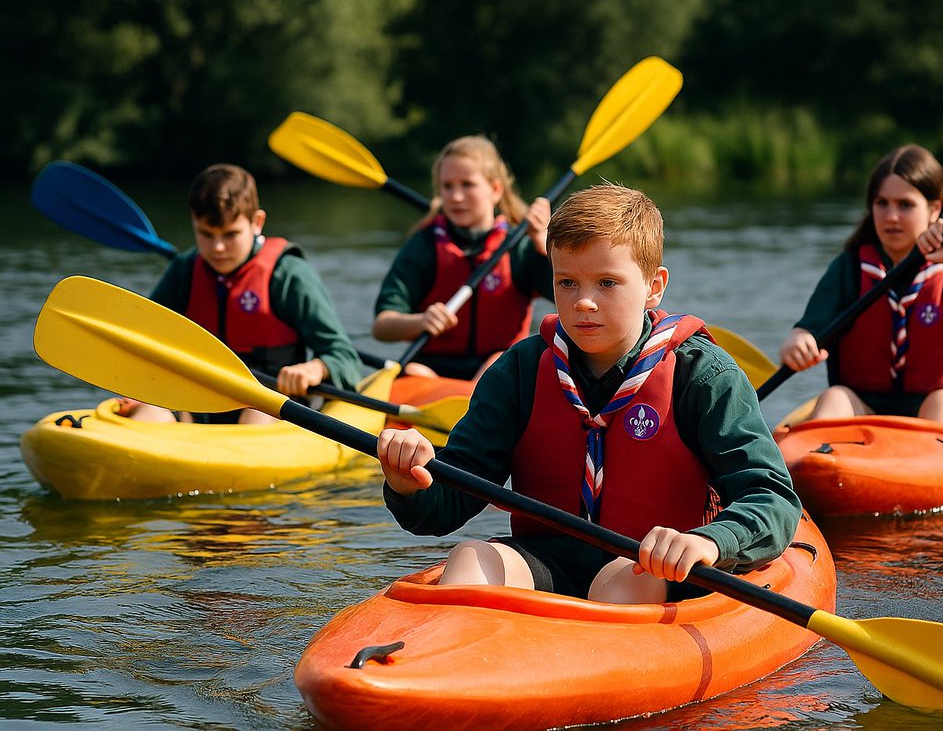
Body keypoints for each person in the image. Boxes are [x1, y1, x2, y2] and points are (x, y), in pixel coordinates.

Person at [376, 183, 802, 604]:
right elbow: (449, 501)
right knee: (472, 556)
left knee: (621, 582)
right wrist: (409, 483)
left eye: (607, 283)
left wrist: (713, 542)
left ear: (654, 286)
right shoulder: (520, 371)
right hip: (547, 558)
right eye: (567, 283)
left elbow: (772, 498)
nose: (583, 302)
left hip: (654, 568)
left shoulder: (704, 375)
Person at [778, 144, 943, 425]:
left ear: (934, 208)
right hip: (863, 405)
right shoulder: (849, 268)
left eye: (905, 205)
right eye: (882, 203)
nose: (891, 216)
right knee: (835, 398)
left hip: (942, 403)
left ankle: (939, 461)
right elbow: (807, 330)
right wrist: (797, 342)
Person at [121, 163, 361, 424]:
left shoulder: (289, 274)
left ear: (257, 222)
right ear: (194, 223)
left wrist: (315, 368)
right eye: (206, 234)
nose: (218, 248)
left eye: (230, 234)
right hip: (197, 402)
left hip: (269, 402)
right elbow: (141, 341)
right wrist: (141, 389)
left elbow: (344, 357)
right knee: (150, 414)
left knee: (256, 415)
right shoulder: (185, 270)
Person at [372, 136, 553, 381]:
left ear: (495, 190)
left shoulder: (520, 247)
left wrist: (545, 246)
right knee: (415, 373)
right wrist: (420, 321)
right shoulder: (423, 246)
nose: (455, 197)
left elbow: (572, 300)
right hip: (432, 372)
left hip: (501, 369)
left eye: (467, 185)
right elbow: (382, 325)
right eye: (447, 186)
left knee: (497, 364)